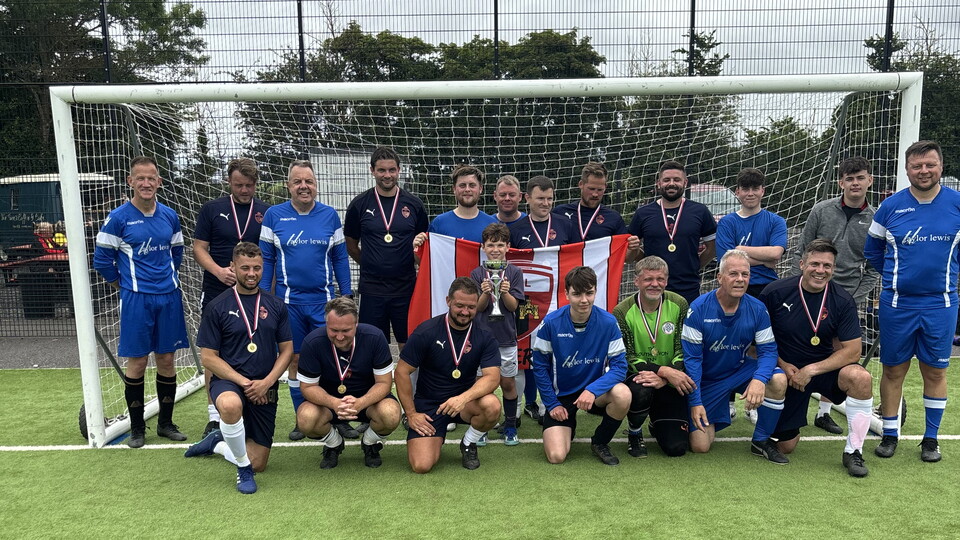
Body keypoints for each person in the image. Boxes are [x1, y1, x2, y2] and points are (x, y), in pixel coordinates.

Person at [865, 140, 959, 463]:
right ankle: (890, 434)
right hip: (897, 305)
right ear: (906, 170)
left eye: (929, 165)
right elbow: (872, 250)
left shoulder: (957, 204)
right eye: (917, 166)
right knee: (893, 370)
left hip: (941, 305)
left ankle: (930, 440)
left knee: (935, 372)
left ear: (941, 167)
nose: (923, 171)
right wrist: (897, 276)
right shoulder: (889, 207)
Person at [93, 156, 189, 448]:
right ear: (130, 181)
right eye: (140, 178)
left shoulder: (170, 216)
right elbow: (101, 260)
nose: (146, 183)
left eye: (152, 178)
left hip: (169, 298)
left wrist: (164, 280)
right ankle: (137, 429)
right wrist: (123, 285)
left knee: (167, 360)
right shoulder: (119, 218)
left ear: (159, 182)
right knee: (136, 362)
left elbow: (177, 253)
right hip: (136, 300)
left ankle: (165, 423)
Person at [185, 242, 293, 494]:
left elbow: (287, 350)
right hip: (230, 382)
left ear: (263, 267)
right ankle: (242, 469)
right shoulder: (217, 306)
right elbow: (209, 358)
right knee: (231, 406)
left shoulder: (276, 305)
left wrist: (266, 382)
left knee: (260, 463)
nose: (251, 273)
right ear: (233, 267)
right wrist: (244, 383)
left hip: (264, 385)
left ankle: (217, 444)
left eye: (257, 268)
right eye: (245, 268)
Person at [760, 239, 874, 477]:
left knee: (860, 377)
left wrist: (811, 370)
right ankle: (769, 414)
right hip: (787, 371)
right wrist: (782, 363)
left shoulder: (842, 300)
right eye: (814, 264)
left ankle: (854, 451)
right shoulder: (775, 292)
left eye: (827, 266)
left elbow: (853, 351)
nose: (820, 271)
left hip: (819, 370)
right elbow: (758, 341)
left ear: (833, 269)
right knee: (786, 446)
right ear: (802, 264)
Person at [259, 159, 353, 441]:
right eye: (298, 181)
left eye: (309, 181)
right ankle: (303, 417)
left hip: (324, 304)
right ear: (289, 185)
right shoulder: (274, 216)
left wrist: (346, 294)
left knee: (334, 359)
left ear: (316, 185)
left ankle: (339, 417)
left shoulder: (330, 216)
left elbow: (339, 257)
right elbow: (266, 258)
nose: (304, 186)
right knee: (296, 360)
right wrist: (263, 296)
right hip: (288, 304)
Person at [791, 156, 880, 435]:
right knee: (804, 345)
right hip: (811, 293)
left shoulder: (876, 219)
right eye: (849, 178)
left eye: (860, 177)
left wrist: (854, 298)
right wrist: (801, 288)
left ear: (869, 181)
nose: (855, 183)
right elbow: (802, 250)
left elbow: (875, 266)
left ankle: (824, 412)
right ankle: (791, 400)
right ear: (841, 182)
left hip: (847, 298)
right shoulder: (821, 210)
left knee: (841, 354)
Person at [681, 250, 789, 463]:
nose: (740, 279)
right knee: (700, 446)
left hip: (739, 370)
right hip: (707, 380)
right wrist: (695, 401)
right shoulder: (699, 309)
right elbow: (692, 361)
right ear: (719, 277)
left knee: (777, 379)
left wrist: (759, 379)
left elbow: (768, 350)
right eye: (733, 274)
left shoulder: (757, 308)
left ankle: (761, 441)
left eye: (745, 274)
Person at [194, 157, 269, 436]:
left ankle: (253, 406)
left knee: (255, 346)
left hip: (254, 292)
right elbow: (199, 248)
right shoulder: (212, 209)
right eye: (239, 185)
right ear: (229, 182)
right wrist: (217, 271)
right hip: (217, 289)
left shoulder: (266, 212)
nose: (244, 190)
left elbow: (269, 252)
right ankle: (215, 416)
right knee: (214, 351)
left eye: (249, 185)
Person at [395, 278, 502, 473]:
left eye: (471, 307)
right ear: (448, 301)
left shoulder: (484, 335)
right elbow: (401, 371)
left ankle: (469, 443)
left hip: (464, 405)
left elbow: (492, 377)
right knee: (421, 465)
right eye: (459, 305)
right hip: (430, 405)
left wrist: (462, 399)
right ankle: (433, 436)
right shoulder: (426, 331)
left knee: (492, 405)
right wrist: (411, 414)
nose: (465, 312)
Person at [531, 266, 631, 466]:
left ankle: (600, 441)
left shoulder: (609, 322)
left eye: (589, 293)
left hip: (595, 393)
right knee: (556, 456)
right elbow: (540, 368)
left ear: (595, 292)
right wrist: (552, 404)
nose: (584, 300)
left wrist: (592, 390)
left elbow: (620, 367)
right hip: (562, 396)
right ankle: (568, 424)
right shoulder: (551, 323)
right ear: (566, 293)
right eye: (577, 294)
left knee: (623, 394)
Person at [295, 297, 402, 469]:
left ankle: (369, 443)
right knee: (305, 418)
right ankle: (334, 443)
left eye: (346, 330)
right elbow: (307, 387)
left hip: (368, 403)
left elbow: (384, 383)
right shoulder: (312, 342)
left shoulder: (374, 337)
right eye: (333, 330)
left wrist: (360, 403)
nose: (339, 336)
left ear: (356, 324)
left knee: (391, 413)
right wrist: (335, 403)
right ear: (326, 323)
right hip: (329, 404)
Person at [344, 146, 428, 353]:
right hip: (372, 289)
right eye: (381, 170)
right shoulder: (359, 205)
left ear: (399, 170)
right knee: (373, 347)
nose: (387, 175)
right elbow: (351, 245)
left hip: (406, 287)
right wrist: (373, 263)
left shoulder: (414, 205)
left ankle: (410, 387)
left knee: (409, 346)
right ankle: (379, 387)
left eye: (392, 170)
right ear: (372, 170)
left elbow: (424, 246)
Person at [612, 256, 693, 458]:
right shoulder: (621, 311)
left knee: (676, 449)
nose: (655, 284)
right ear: (636, 281)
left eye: (660, 279)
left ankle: (656, 423)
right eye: (648, 279)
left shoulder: (679, 303)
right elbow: (627, 357)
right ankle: (634, 432)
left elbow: (683, 348)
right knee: (640, 389)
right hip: (641, 379)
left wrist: (666, 377)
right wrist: (663, 371)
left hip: (672, 381)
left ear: (666, 281)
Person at [628, 160, 717, 305]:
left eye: (676, 180)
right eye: (666, 180)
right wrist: (641, 256)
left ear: (685, 182)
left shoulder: (700, 211)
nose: (671, 184)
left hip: (688, 288)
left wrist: (694, 265)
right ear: (659, 183)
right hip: (653, 289)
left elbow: (712, 248)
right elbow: (629, 255)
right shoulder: (643, 213)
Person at [469, 223, 525, 446]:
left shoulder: (515, 272)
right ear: (483, 247)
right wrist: (484, 293)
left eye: (500, 245)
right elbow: (477, 308)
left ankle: (510, 426)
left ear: (508, 247)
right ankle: (482, 427)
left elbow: (513, 307)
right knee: (481, 384)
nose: (495, 249)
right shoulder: (476, 273)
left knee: (508, 383)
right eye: (491, 245)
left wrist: (505, 292)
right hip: (481, 339)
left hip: (506, 338)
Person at [715, 168, 787, 298]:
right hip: (734, 286)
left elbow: (776, 253)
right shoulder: (726, 223)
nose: (750, 193)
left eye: (755, 189)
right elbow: (725, 260)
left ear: (762, 191)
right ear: (737, 192)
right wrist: (764, 261)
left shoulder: (776, 221)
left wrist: (739, 249)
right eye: (745, 189)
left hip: (767, 286)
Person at [555, 162, 628, 241]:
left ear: (605, 187)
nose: (595, 194)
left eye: (600, 190)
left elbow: (624, 250)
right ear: (581, 184)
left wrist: (634, 248)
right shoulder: (560, 213)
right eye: (591, 189)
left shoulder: (613, 218)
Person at [423, 165, 497, 242]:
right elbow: (429, 253)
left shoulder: (492, 224)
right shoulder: (439, 223)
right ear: (454, 189)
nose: (467, 189)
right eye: (462, 185)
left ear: (480, 189)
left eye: (472, 185)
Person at [508, 175, 577, 249]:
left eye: (549, 199)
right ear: (527, 198)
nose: (545, 203)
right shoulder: (514, 231)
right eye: (541, 198)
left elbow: (576, 255)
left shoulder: (566, 225)